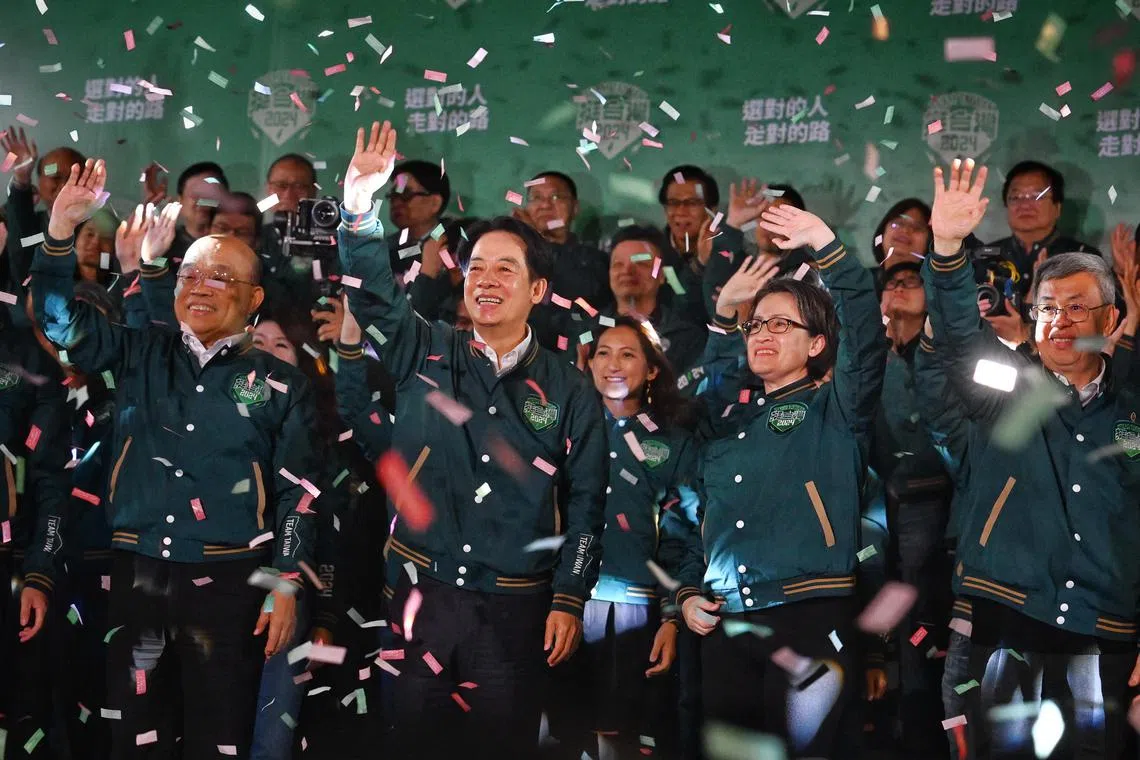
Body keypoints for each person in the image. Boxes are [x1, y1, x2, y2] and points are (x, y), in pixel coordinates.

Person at [30, 158, 318, 759]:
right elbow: (58, 323)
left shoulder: (281, 385)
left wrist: (287, 582)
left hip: (232, 586)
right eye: (190, 274)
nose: (202, 286)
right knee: (134, 737)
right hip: (137, 580)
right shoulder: (138, 351)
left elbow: (299, 492)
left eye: (221, 277)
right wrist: (57, 235)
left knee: (220, 740)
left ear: (255, 299)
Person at [336, 121, 607, 759]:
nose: (486, 278)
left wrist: (568, 598)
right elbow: (372, 296)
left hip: (514, 609)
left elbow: (589, 503)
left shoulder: (570, 389)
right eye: (476, 266)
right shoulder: (424, 348)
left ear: (538, 291)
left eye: (505, 269)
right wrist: (358, 208)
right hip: (418, 595)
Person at [922, 157, 1139, 760]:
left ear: (1112, 321)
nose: (1058, 321)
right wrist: (945, 248)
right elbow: (962, 336)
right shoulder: (1006, 383)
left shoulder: (1133, 408)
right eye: (1046, 307)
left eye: (1076, 308)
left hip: (1106, 629)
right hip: (1005, 624)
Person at [676, 202, 888, 758]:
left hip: (812, 615)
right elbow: (694, 517)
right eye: (756, 324)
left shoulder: (835, 407)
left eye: (781, 324)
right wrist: (687, 592)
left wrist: (828, 246)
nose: (763, 333)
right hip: (727, 623)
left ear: (817, 344)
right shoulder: (727, 423)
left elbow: (864, 340)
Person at [546, 316, 701, 759]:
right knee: (559, 734)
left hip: (633, 611)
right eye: (603, 353)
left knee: (625, 740)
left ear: (652, 369)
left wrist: (671, 619)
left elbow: (682, 539)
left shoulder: (674, 445)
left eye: (628, 353)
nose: (613, 363)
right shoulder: (561, 433)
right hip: (558, 603)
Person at [872, 244, 954, 757]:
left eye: (911, 282)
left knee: (923, 617)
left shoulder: (944, 353)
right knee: (885, 612)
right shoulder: (860, 356)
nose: (899, 289)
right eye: (892, 282)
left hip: (936, 505)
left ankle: (926, 726)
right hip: (874, 505)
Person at [0, 306, 71, 758]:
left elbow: (51, 480)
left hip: (8, 565)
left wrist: (38, 573)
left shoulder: (26, 360)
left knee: (19, 718)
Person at [516, 171, 611, 353]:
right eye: (536, 198)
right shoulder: (513, 257)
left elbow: (583, 299)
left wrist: (539, 240)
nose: (545, 205)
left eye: (555, 196)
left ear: (575, 208)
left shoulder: (594, 260)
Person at [601, 225, 708, 376]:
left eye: (641, 263)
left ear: (662, 275)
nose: (627, 271)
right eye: (618, 264)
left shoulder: (686, 338)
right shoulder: (589, 332)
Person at [1, 126, 85, 294]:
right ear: (39, 183)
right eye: (55, 177)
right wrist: (21, 178)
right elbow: (20, 256)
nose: (64, 187)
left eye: (73, 179)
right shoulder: (20, 225)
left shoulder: (98, 231)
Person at [658, 165, 720, 321]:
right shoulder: (651, 254)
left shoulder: (729, 255)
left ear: (712, 209)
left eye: (692, 203)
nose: (681, 211)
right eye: (673, 203)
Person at [385, 159, 449, 279]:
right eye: (393, 195)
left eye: (406, 194)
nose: (396, 202)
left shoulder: (456, 243)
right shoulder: (386, 248)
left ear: (435, 203)